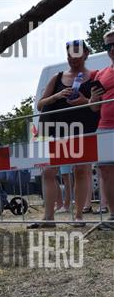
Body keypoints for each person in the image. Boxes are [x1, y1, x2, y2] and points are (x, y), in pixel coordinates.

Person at [33, 39, 100, 228]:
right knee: (48, 171)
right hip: (56, 131)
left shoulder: (94, 76)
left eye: (77, 53)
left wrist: (84, 101)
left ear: (86, 54)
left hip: (83, 130)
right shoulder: (57, 77)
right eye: (70, 54)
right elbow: (40, 104)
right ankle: (49, 217)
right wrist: (56, 96)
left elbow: (96, 107)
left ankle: (78, 216)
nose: (73, 58)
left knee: (81, 170)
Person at [89, 29, 114, 230]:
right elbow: (94, 108)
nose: (112, 49)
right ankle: (113, 216)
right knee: (105, 172)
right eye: (107, 46)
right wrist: (94, 98)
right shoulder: (101, 73)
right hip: (105, 127)